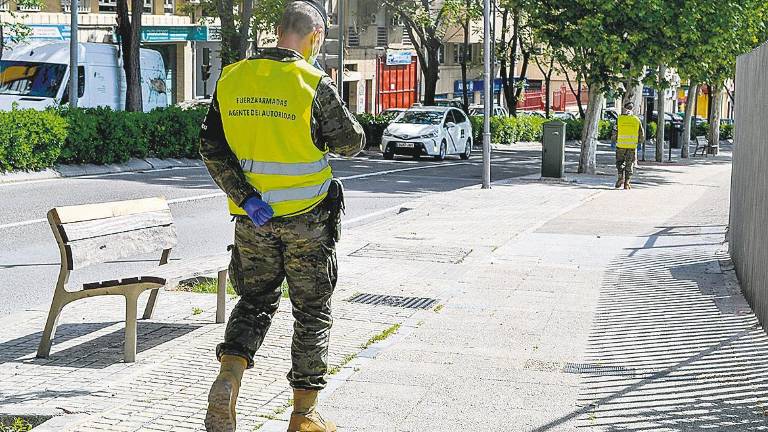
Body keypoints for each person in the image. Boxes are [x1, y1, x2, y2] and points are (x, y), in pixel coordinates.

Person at [198, 0, 365, 430]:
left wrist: (246, 197)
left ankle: (228, 379)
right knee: (310, 313)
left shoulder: (232, 77)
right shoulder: (312, 83)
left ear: (277, 31)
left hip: (253, 222)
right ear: (316, 37)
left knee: (254, 302)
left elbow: (211, 149)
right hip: (309, 222)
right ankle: (303, 416)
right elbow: (351, 142)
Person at [613, 102, 645, 189]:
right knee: (629, 163)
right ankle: (627, 183)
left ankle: (620, 177)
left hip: (621, 145)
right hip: (632, 146)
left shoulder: (619, 119)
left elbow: (615, 131)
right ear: (632, 109)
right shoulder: (636, 120)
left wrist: (613, 141)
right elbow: (641, 133)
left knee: (619, 162)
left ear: (624, 108)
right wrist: (639, 142)